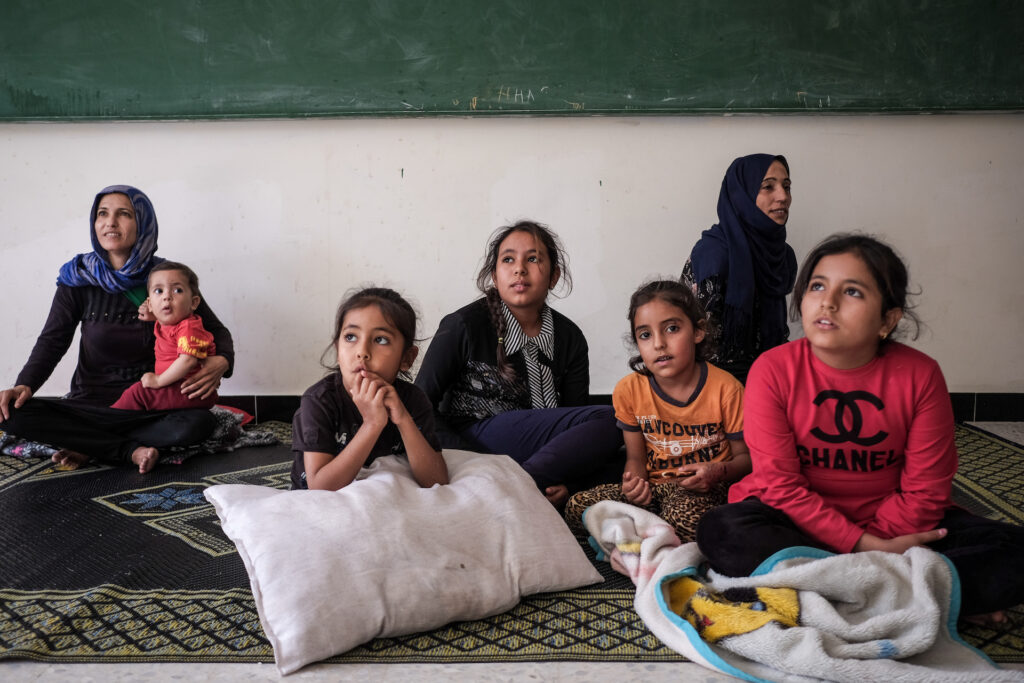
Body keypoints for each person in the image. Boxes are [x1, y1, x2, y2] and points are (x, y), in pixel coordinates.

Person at [696, 233, 1024, 625]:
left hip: (894, 525)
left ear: (888, 319)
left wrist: (882, 538)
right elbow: (780, 487)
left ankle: (831, 590)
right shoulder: (772, 369)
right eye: (817, 286)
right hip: (797, 523)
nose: (827, 302)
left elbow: (926, 489)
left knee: (1014, 551)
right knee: (722, 531)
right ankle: (913, 594)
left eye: (852, 291)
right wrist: (865, 546)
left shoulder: (920, 375)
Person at [0, 185, 233, 473]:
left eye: (124, 214)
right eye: (102, 214)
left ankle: (91, 445)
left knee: (197, 424)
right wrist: (25, 384)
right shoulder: (78, 278)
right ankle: (127, 449)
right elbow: (53, 340)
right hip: (91, 405)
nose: (110, 222)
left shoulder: (165, 280)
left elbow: (215, 330)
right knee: (11, 414)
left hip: (150, 404)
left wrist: (221, 361)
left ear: (143, 223)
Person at [415, 220, 623, 506]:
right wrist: (475, 463)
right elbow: (420, 405)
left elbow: (575, 420)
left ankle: (533, 481)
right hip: (475, 441)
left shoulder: (569, 337)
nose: (519, 269)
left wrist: (570, 482)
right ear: (494, 275)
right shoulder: (463, 325)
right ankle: (517, 486)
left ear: (553, 276)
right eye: (508, 259)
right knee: (612, 418)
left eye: (534, 259)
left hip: (542, 452)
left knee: (630, 451)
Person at [564, 280, 750, 541]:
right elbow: (636, 459)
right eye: (645, 335)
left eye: (672, 329)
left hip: (704, 491)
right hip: (655, 491)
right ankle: (651, 532)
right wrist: (634, 486)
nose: (659, 343)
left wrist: (717, 472)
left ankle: (641, 534)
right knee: (576, 507)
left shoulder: (727, 389)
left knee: (687, 520)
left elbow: (747, 460)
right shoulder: (629, 390)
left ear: (698, 332)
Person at [291, 287, 448, 491]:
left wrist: (403, 419)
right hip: (319, 505)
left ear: (407, 358)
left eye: (380, 340)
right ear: (338, 349)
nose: (362, 352)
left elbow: (437, 481)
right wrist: (372, 423)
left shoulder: (412, 400)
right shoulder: (319, 401)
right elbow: (320, 487)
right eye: (350, 337)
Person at [681, 153, 797, 383]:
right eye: (768, 187)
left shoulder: (782, 255)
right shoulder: (714, 253)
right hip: (715, 383)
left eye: (786, 186)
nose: (782, 196)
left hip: (769, 372)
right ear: (741, 195)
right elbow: (694, 341)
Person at [111, 261, 218, 412]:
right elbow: (171, 329)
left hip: (190, 390)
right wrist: (155, 316)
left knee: (139, 393)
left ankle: (110, 419)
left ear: (194, 303)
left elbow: (187, 360)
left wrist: (158, 380)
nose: (166, 296)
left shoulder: (188, 327)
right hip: (181, 388)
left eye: (177, 290)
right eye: (158, 291)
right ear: (149, 304)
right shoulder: (171, 324)